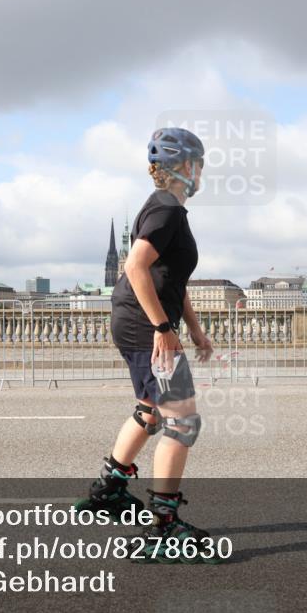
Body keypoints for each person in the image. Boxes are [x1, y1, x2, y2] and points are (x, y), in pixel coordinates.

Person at [74, 127, 217, 562]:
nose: (202, 172)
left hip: (136, 320)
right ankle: (163, 526)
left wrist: (193, 328)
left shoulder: (167, 209)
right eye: (200, 163)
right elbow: (136, 267)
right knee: (182, 422)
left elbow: (171, 280)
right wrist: (162, 329)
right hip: (143, 324)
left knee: (150, 411)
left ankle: (110, 489)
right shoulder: (168, 209)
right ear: (185, 167)